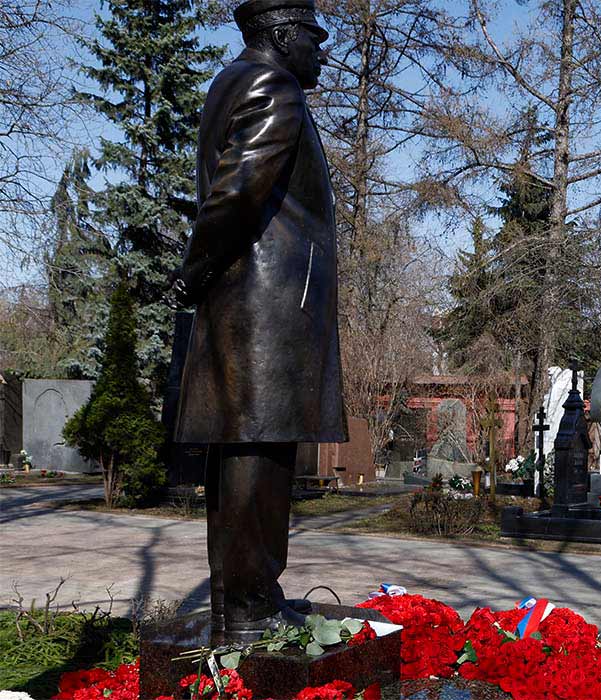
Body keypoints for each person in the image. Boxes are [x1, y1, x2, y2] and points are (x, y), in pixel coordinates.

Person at [172, 0, 346, 639]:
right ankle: (249, 603)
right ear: (279, 35)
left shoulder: (232, 81)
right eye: (312, 37)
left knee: (246, 445)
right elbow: (240, 188)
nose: (322, 50)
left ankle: (240, 599)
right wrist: (194, 269)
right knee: (260, 446)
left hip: (248, 296)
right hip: (268, 302)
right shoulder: (274, 85)